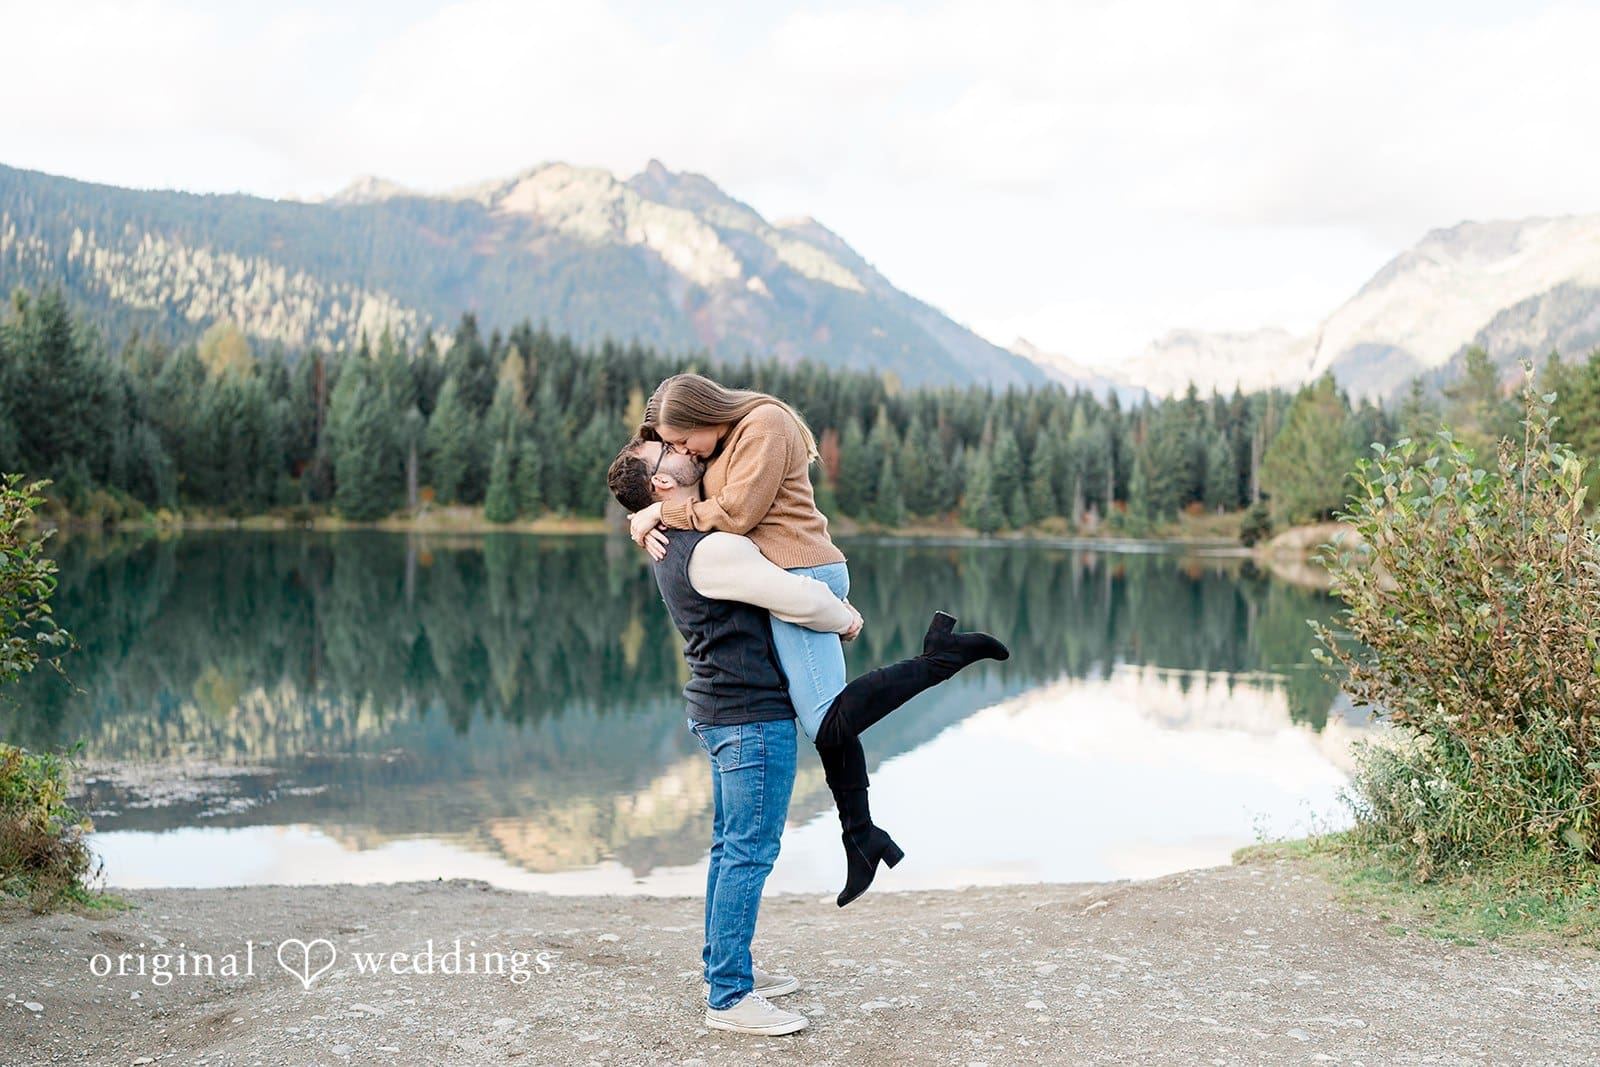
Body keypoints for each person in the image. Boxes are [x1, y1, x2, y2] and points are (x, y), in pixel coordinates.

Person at [606, 437, 1006, 1036]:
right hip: (749, 718)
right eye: (666, 450)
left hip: (724, 710)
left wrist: (648, 517)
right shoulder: (711, 549)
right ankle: (729, 998)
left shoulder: (677, 536)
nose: (680, 446)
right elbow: (797, 598)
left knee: (730, 848)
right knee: (749, 852)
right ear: (662, 483)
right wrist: (845, 617)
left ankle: (725, 969)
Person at [625, 373, 1008, 904]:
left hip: (803, 572)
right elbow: (703, 503)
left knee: (827, 719)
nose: (684, 450)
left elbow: (736, 514)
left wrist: (659, 513)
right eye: (674, 446)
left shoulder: (765, 424)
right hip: (783, 575)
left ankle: (942, 658)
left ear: (702, 413)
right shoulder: (724, 441)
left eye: (682, 438)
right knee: (828, 720)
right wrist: (649, 516)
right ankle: (861, 835)